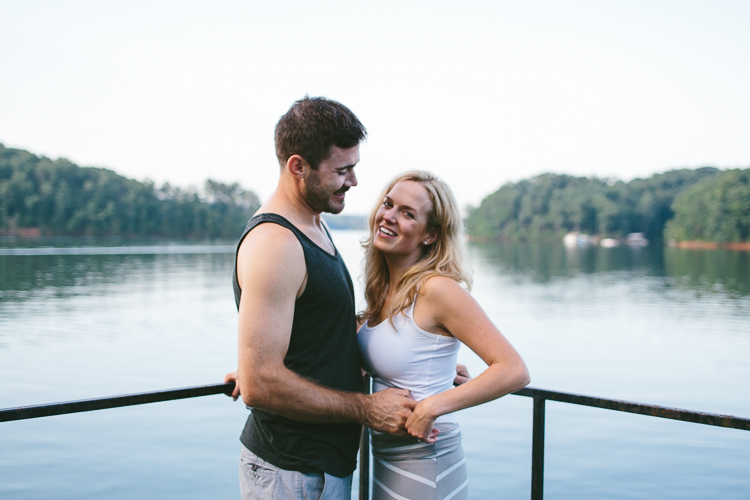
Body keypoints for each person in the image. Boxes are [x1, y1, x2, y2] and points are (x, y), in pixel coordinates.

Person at [223, 96, 420, 500]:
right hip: (290, 470)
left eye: (354, 168)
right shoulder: (275, 244)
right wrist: (367, 409)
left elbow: (322, 330)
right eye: (342, 170)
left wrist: (420, 354)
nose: (353, 181)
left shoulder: (312, 223)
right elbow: (260, 383)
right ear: (299, 167)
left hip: (321, 468)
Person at [357, 171, 531, 500]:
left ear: (431, 235)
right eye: (388, 204)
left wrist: (432, 406)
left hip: (425, 461)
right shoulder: (383, 291)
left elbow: (513, 370)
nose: (389, 216)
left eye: (407, 213)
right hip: (386, 458)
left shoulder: (437, 290)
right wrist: (266, 368)